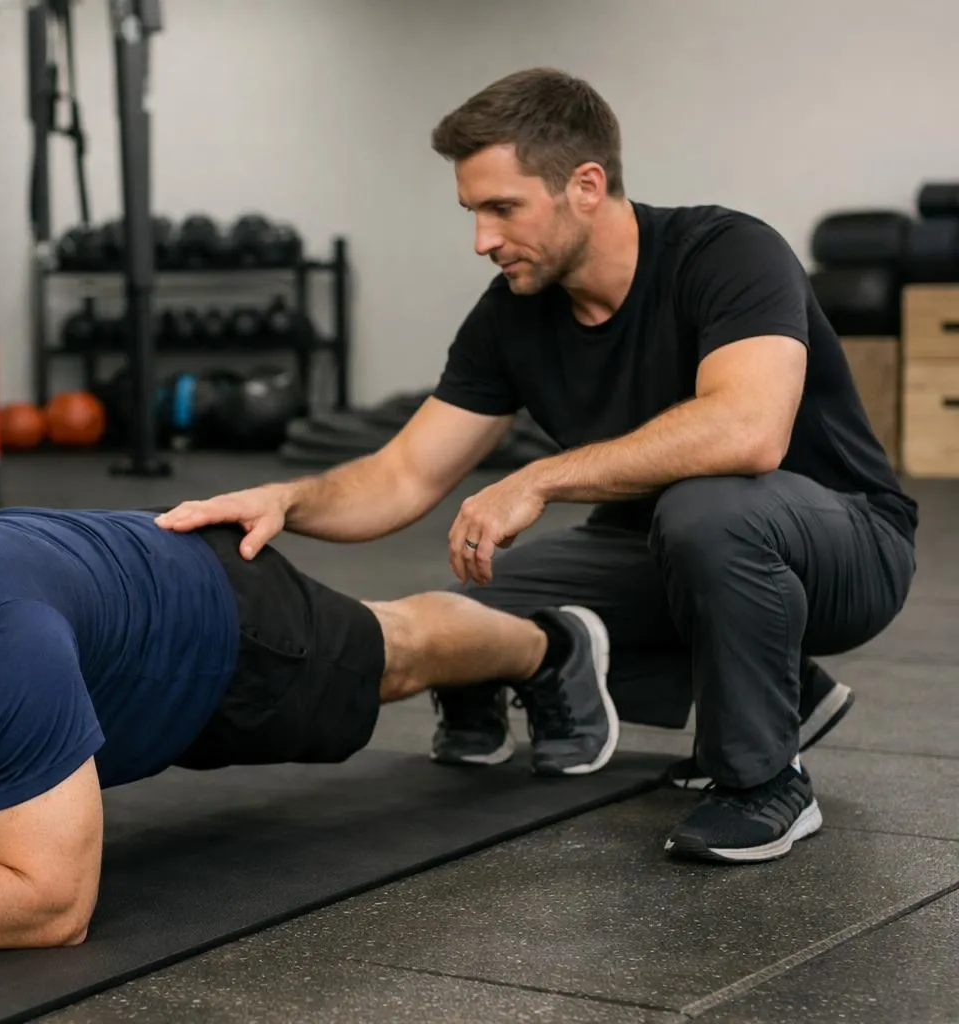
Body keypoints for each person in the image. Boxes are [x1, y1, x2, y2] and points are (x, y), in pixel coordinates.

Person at [156, 67, 917, 865]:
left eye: (502, 208)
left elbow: (748, 430)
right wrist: (286, 500)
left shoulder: (727, 253)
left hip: (847, 542)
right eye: (473, 213)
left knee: (708, 513)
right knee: (475, 619)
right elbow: (403, 474)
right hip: (667, 548)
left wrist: (538, 478)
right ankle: (781, 685)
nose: (482, 240)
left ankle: (765, 781)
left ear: (585, 186)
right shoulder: (511, 317)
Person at [0, 490, 618, 960]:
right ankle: (488, 675)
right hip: (74, 618)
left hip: (208, 622)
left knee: (387, 655)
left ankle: (546, 647)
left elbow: (52, 906)